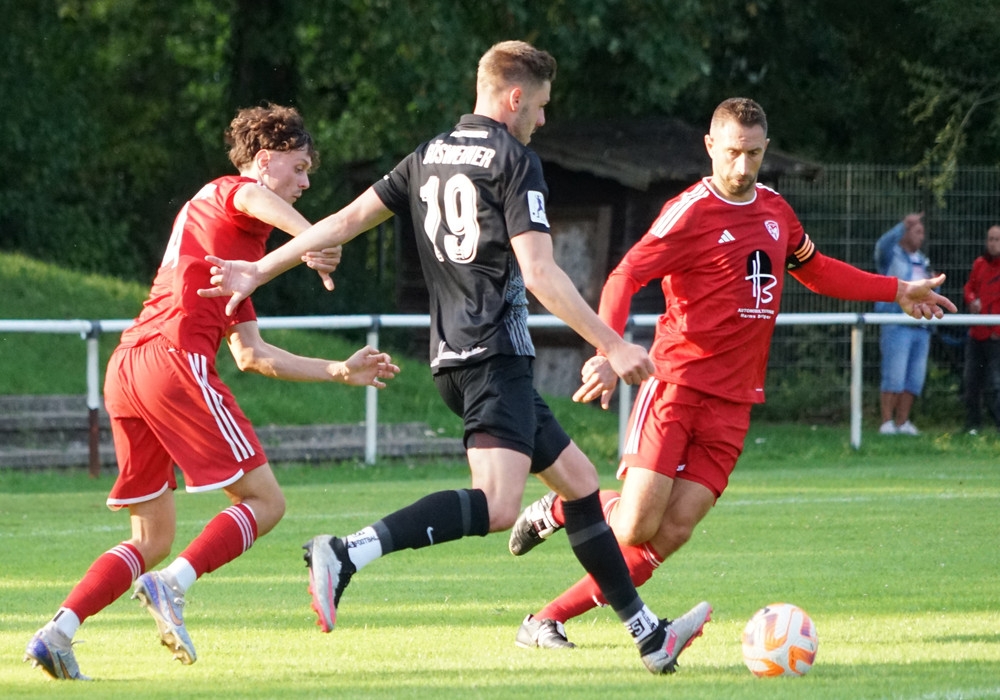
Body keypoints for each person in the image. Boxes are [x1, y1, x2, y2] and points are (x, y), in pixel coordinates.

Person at [200, 40, 711, 675]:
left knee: (581, 485)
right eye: (541, 106)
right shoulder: (515, 161)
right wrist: (612, 343)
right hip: (493, 358)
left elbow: (344, 220)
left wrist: (259, 269)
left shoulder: (428, 154)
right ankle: (347, 551)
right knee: (497, 506)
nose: (543, 119)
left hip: (458, 358)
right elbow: (541, 273)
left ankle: (648, 635)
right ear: (515, 96)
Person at [505, 97, 956, 647]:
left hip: (736, 402)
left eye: (755, 154)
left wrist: (897, 289)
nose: (743, 167)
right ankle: (562, 505)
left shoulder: (776, 211)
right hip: (676, 386)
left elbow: (816, 271)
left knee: (671, 532)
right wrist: (608, 348)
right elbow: (626, 275)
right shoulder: (690, 211)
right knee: (633, 526)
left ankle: (545, 620)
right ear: (711, 146)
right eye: (734, 153)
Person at [23, 103, 400, 681]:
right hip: (173, 360)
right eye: (299, 168)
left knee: (152, 536)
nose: (304, 183)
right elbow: (251, 197)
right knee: (266, 503)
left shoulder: (236, 256)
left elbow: (252, 355)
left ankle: (58, 631)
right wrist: (314, 238)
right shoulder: (231, 191)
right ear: (265, 160)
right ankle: (173, 586)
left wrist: (338, 370)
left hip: (128, 367)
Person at [874, 212, 935, 435]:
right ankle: (886, 423)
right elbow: (881, 245)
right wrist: (902, 225)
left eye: (922, 233)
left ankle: (902, 422)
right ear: (905, 233)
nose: (921, 237)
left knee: (914, 378)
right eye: (917, 232)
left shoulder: (923, 260)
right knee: (894, 375)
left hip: (921, 326)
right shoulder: (891, 255)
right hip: (896, 323)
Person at [962, 224, 1000, 434]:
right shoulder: (980, 264)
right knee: (972, 381)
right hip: (977, 333)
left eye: (997, 239)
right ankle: (973, 425)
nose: (992, 244)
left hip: (996, 335)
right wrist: (971, 300)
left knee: (995, 384)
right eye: (990, 239)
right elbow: (969, 287)